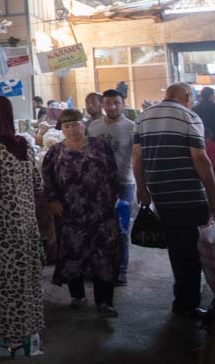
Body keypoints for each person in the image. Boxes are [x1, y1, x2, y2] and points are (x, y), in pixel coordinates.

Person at [133, 83, 215, 317]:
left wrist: (142, 188)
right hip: (188, 194)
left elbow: (137, 156)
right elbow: (201, 159)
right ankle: (186, 303)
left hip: (160, 194)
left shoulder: (144, 117)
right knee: (192, 250)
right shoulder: (189, 116)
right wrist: (214, 196)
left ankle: (184, 297)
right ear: (188, 96)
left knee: (178, 247)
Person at [0, 95, 44, 356]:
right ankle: (31, 336)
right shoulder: (25, 145)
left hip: (4, 229)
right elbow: (38, 185)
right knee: (27, 282)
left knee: (5, 284)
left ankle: (10, 341)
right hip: (28, 225)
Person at [42, 109, 121, 317]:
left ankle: (105, 302)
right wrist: (52, 200)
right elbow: (47, 178)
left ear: (83, 125)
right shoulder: (55, 152)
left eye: (75, 124)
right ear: (62, 129)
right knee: (73, 253)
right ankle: (77, 296)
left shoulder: (100, 145)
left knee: (104, 256)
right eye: (67, 126)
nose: (72, 129)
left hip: (101, 212)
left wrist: (113, 198)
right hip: (71, 214)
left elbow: (113, 173)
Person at [87, 89, 136, 285]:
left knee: (121, 229)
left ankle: (121, 269)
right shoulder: (93, 127)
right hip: (98, 184)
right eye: (108, 103)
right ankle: (98, 267)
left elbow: (139, 157)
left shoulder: (132, 127)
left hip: (124, 184)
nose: (112, 107)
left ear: (123, 104)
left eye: (116, 103)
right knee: (97, 226)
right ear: (103, 105)